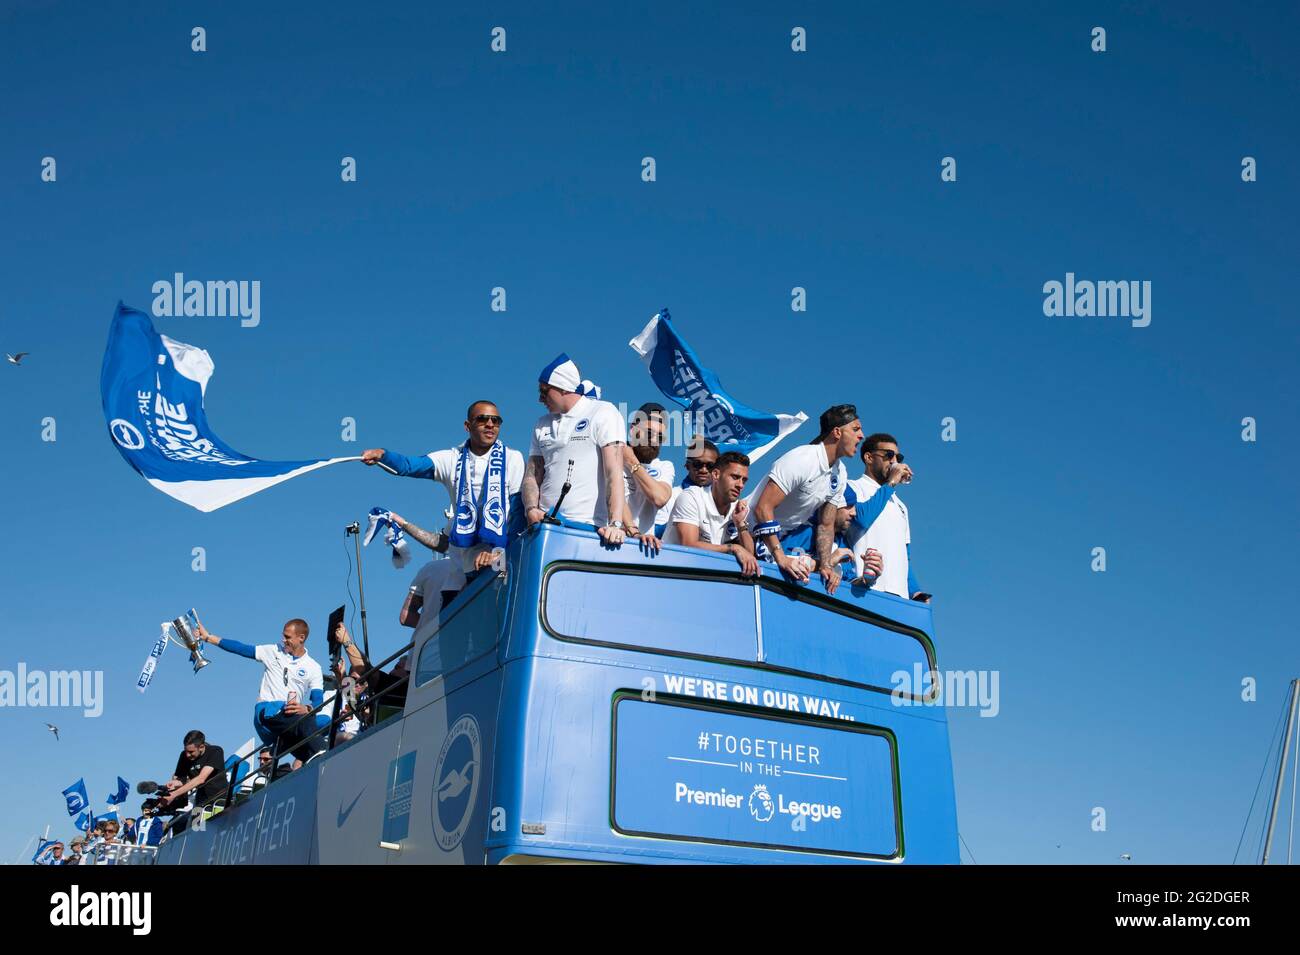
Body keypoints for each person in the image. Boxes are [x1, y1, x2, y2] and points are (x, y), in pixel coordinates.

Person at [361, 400, 525, 599]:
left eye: (496, 420)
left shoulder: (512, 458)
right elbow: (408, 466)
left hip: (500, 558)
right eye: (482, 419)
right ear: (468, 426)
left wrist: (500, 554)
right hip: (466, 567)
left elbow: (518, 512)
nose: (490, 424)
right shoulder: (451, 458)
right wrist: (383, 455)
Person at [521, 354, 629, 544]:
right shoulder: (541, 424)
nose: (540, 398)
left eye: (544, 391)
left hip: (587, 528)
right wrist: (531, 509)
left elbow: (614, 472)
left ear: (562, 388)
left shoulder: (602, 411)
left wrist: (616, 524)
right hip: (546, 528)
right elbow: (532, 475)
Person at [749, 404, 862, 585]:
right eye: (855, 429)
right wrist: (780, 557)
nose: (861, 436)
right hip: (744, 532)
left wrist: (826, 565)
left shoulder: (840, 473)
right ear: (837, 432)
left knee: (806, 571)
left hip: (774, 540)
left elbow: (826, 525)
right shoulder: (802, 459)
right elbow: (763, 508)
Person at [197, 617, 328, 767]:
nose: (283, 640)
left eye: (287, 637)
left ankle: (305, 757)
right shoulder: (273, 651)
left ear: (301, 638)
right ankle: (319, 750)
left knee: (323, 722)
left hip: (289, 722)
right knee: (305, 723)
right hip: (267, 712)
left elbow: (318, 699)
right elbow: (242, 648)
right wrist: (208, 637)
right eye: (283, 636)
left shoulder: (313, 667)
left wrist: (308, 708)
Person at [841, 433, 928, 602]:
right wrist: (891, 483)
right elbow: (862, 519)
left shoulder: (901, 506)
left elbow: (904, 555)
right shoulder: (851, 487)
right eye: (889, 455)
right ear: (869, 458)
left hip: (899, 597)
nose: (894, 461)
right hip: (862, 589)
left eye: (898, 457)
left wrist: (915, 591)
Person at [662, 451, 759, 575]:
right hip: (671, 573)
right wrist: (732, 548)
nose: (740, 485)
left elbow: (748, 556)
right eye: (735, 477)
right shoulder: (691, 497)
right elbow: (688, 545)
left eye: (744, 480)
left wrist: (740, 524)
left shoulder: (737, 509)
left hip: (705, 577)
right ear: (716, 474)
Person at [623, 402, 675, 542]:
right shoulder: (612, 456)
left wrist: (632, 462)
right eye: (649, 433)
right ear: (633, 429)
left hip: (643, 548)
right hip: (608, 540)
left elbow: (660, 498)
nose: (653, 440)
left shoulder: (664, 466)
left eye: (659, 437)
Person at [160, 730, 228, 830]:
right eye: (186, 751)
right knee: (196, 830)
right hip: (200, 800)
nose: (187, 755)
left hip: (219, 798)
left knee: (217, 829)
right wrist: (172, 785)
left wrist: (173, 795)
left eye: (191, 752)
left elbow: (201, 778)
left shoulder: (215, 751)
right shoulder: (184, 756)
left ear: (201, 747)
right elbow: (180, 780)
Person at [658, 437, 718, 536]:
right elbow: (656, 534)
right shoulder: (670, 496)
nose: (703, 470)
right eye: (697, 464)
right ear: (687, 465)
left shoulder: (723, 503)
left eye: (710, 465)